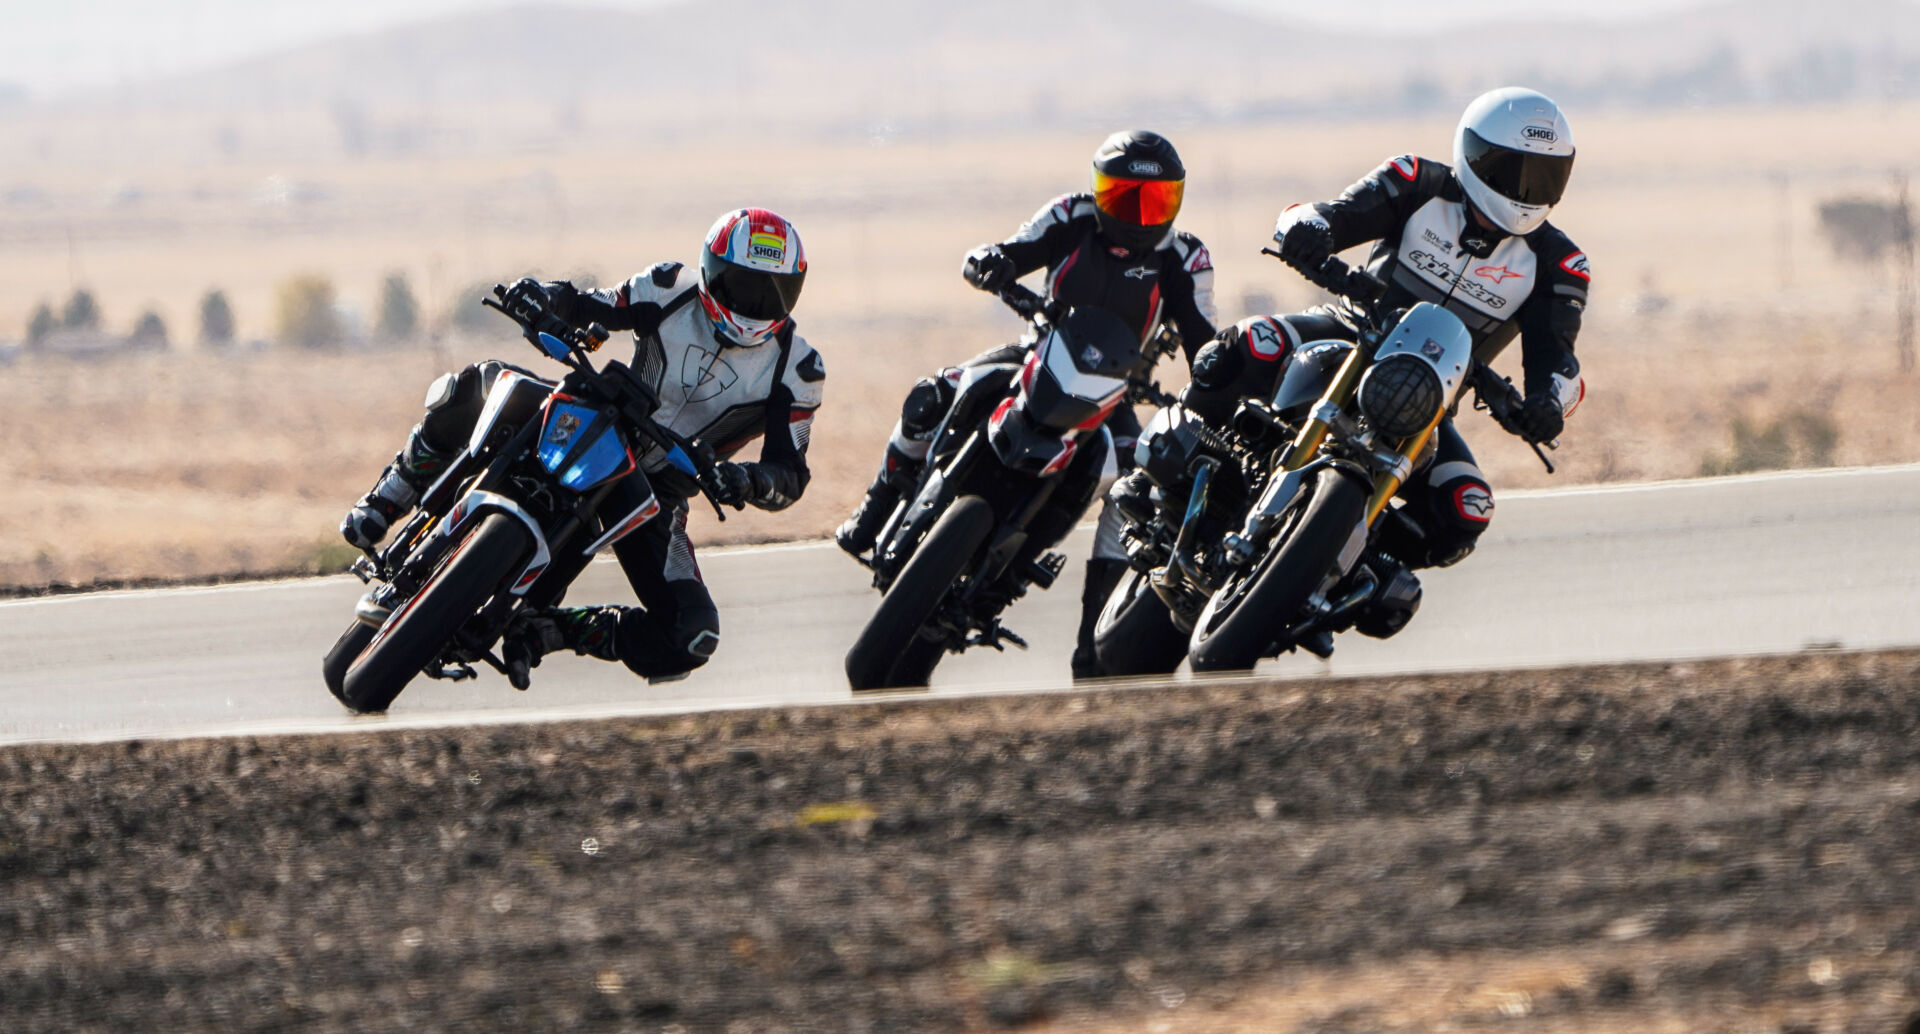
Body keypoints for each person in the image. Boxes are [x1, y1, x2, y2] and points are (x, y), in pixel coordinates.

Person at [1158, 86, 1589, 643]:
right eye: (1512, 170)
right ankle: (1176, 463)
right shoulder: (1415, 181)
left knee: (1466, 511)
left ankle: (1338, 571)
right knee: (1238, 350)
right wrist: (1309, 231)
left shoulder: (1560, 264)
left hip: (1431, 400)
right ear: (1474, 155)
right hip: (1350, 330)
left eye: (1544, 176)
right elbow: (1329, 214)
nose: (1527, 191)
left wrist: (1547, 404)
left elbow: (1560, 361)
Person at [341, 208, 824, 685]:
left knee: (692, 634)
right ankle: (389, 497)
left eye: (772, 293)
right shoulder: (670, 287)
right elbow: (592, 304)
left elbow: (790, 474)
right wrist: (542, 298)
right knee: (477, 385)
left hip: (655, 491)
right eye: (740, 285)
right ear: (709, 271)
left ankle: (550, 630)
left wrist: (746, 479)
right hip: (596, 414)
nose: (753, 303)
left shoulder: (798, 370)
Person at [834, 129, 1218, 677]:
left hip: (1113, 393)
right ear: (1098, 189)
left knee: (1133, 486)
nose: (1135, 212)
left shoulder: (1186, 256)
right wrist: (988, 262)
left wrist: (1217, 372)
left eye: (1152, 200)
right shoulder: (1072, 215)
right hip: (1040, 352)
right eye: (1122, 195)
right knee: (935, 392)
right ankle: (873, 512)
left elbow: (1206, 335)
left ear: (1175, 201)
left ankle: (1091, 643)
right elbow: (1011, 250)